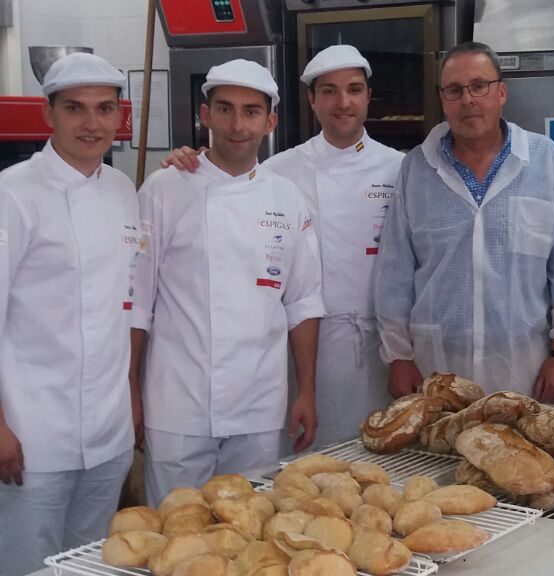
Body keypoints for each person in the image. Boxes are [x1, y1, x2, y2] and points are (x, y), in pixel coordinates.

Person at [161, 46, 403, 448]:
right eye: (328, 91)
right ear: (312, 101)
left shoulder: (400, 168)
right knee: (301, 469)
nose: (342, 102)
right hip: (298, 350)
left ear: (368, 97)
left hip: (377, 348)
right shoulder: (279, 170)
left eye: (354, 89)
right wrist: (193, 165)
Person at [131, 59, 325, 507]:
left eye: (251, 111)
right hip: (178, 403)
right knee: (175, 535)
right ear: (206, 115)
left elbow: (302, 303)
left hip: (259, 403)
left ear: (270, 121)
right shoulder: (163, 190)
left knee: (250, 536)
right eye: (225, 109)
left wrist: (307, 392)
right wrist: (131, 394)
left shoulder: (287, 197)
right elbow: (136, 305)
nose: (238, 124)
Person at [374, 42, 554, 403]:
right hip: (437, 375)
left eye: (479, 86)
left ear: (501, 92)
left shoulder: (543, 161)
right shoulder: (417, 168)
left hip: (525, 374)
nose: (468, 99)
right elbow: (394, 273)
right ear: (443, 100)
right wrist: (398, 356)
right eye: (455, 90)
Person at [0, 53, 137, 574]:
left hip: (107, 433)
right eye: (76, 108)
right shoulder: (13, 193)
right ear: (48, 114)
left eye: (105, 109)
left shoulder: (124, 191)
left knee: (90, 564)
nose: (92, 123)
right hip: (32, 434)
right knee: (25, 564)